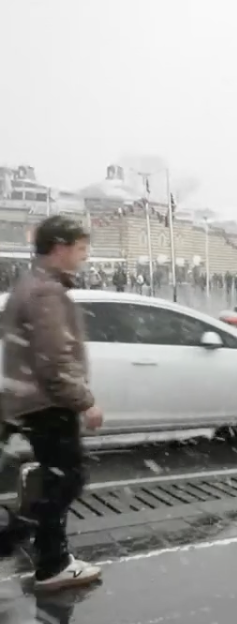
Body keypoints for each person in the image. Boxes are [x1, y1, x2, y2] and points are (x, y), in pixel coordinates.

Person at [0, 216, 103, 592]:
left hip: (30, 400)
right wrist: (85, 402)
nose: (84, 256)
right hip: (47, 403)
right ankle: (48, 561)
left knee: (53, 479)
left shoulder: (30, 285)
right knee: (65, 479)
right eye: (80, 248)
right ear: (60, 248)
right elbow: (54, 362)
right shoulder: (46, 293)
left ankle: (42, 553)